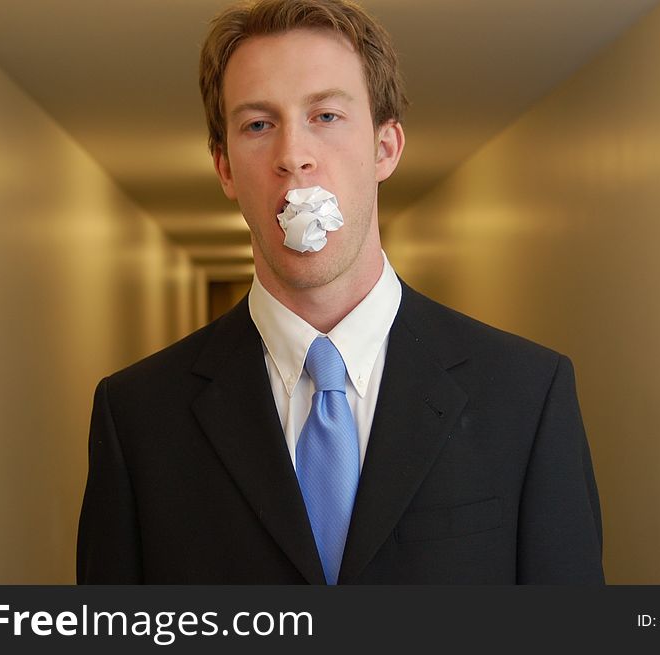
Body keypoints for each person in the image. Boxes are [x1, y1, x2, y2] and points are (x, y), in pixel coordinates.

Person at [77, 0, 604, 584]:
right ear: (225, 168)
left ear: (385, 148)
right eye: (258, 124)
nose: (293, 157)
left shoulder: (526, 395)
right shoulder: (138, 417)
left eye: (325, 116)